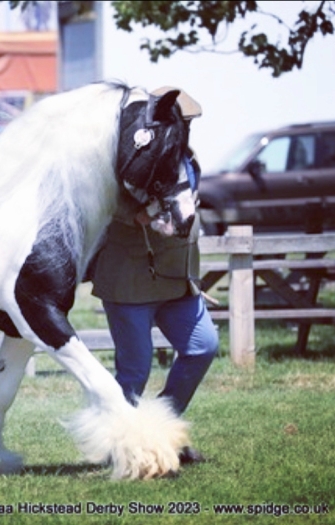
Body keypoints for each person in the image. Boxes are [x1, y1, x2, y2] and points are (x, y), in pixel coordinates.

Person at [89, 87, 218, 464]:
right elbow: (106, 204)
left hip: (178, 280)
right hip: (129, 280)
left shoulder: (188, 160)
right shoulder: (128, 159)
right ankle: (117, 445)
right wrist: (138, 214)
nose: (184, 130)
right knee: (135, 368)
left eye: (187, 124)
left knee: (203, 346)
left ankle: (161, 430)